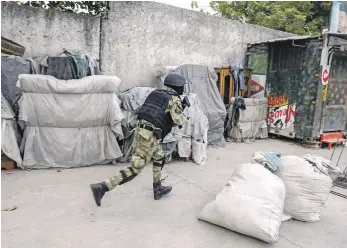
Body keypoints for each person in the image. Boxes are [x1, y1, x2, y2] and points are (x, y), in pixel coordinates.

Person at [90, 73, 190, 206]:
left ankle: (157, 187)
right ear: (177, 86)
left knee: (159, 156)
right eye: (182, 86)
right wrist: (184, 107)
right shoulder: (174, 99)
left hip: (143, 131)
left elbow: (157, 111)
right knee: (135, 168)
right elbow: (178, 120)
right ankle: (103, 187)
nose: (182, 89)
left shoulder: (157, 93)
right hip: (148, 136)